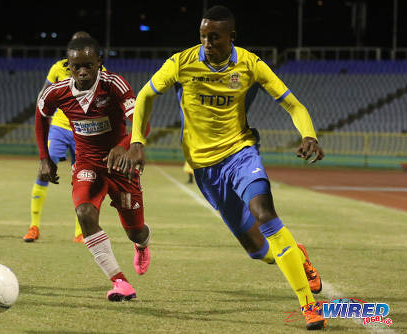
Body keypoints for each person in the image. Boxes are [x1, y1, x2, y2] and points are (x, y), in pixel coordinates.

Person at [118, 5, 327, 330]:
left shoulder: (250, 64)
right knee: (257, 249)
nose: (207, 43)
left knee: (264, 213)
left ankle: (308, 306)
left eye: (214, 37)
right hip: (204, 169)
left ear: (232, 37)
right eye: (203, 36)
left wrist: (309, 134)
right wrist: (137, 140)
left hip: (241, 154)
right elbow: (145, 96)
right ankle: (297, 255)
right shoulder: (181, 63)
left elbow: (292, 103)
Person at [35, 37, 151, 301]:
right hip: (87, 164)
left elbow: (140, 122)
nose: (83, 71)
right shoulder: (57, 92)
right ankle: (120, 282)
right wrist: (44, 157)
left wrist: (125, 145)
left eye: (89, 65)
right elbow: (41, 114)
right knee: (84, 213)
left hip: (121, 166)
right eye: (77, 67)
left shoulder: (114, 85)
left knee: (136, 230)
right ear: (69, 67)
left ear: (100, 63)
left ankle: (142, 245)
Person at [24, 31, 100, 243]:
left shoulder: (97, 71)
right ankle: (34, 226)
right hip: (58, 128)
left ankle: (80, 232)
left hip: (83, 131)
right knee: (44, 172)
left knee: (83, 180)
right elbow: (44, 97)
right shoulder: (58, 68)